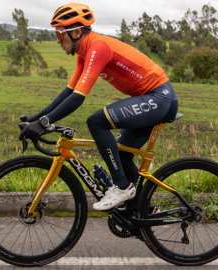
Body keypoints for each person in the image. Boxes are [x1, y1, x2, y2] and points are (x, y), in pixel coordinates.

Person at [19, 3, 178, 211]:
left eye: (59, 35)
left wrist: (44, 123)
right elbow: (69, 91)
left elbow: (78, 99)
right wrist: (38, 117)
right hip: (150, 99)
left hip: (159, 98)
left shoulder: (98, 47)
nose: (58, 41)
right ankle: (142, 210)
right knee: (121, 155)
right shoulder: (84, 53)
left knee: (96, 121)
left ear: (76, 32)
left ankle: (122, 187)